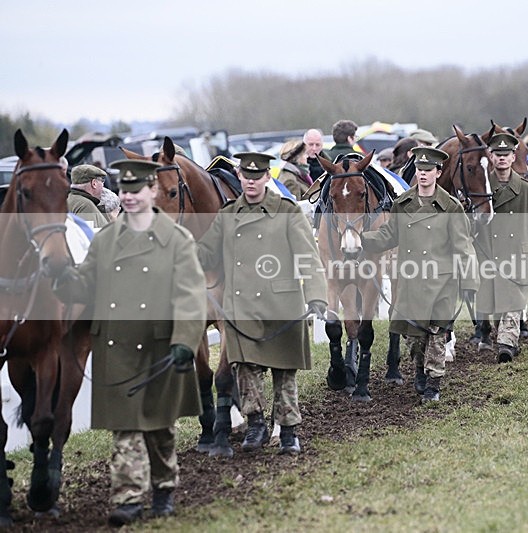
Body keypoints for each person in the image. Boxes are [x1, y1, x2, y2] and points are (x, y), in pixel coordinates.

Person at [53, 159, 207, 526]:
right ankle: (129, 497)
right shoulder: (106, 238)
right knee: (125, 427)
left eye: (136, 191)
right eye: (124, 191)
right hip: (117, 345)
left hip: (161, 346)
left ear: (152, 191)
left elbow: (191, 293)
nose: (130, 197)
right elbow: (85, 284)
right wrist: (61, 277)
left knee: (159, 427)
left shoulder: (175, 238)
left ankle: (164, 488)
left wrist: (185, 340)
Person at [196, 152, 327, 455]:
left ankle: (289, 431)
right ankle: (255, 423)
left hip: (282, 302)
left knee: (285, 372)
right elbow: (204, 253)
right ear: (239, 177)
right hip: (241, 304)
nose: (251, 182)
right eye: (246, 176)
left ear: (268, 177)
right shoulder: (227, 215)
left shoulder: (287, 211)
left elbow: (308, 256)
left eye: (258, 176)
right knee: (245, 369)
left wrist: (317, 296)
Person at [361, 146, 478, 402]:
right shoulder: (402, 204)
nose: (423, 175)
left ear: (438, 172)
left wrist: (468, 281)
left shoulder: (451, 207)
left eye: (428, 170)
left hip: (442, 281)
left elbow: (462, 245)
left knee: (437, 334)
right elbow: (389, 235)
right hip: (411, 281)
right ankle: (419, 371)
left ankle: (434, 382)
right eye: (419, 170)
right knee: (414, 338)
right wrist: (362, 240)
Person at [473, 133, 528, 361]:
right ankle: (504, 337)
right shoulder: (483, 188)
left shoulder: (527, 189)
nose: (502, 159)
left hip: (518, 254)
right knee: (496, 302)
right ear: (491, 157)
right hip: (489, 254)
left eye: (506, 155)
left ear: (514, 156)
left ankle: (507, 342)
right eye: (497, 154)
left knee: (514, 302)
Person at [68, 164, 110, 228]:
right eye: (102, 181)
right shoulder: (85, 205)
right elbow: (87, 235)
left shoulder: (69, 200)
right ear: (94, 183)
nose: (103, 186)